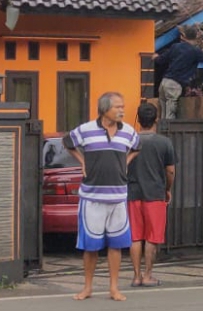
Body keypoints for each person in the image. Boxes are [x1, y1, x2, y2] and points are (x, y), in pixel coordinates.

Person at [64, 92, 140, 301]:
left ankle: (114, 288)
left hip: (118, 197)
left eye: (123, 106)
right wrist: (82, 161)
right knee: (91, 246)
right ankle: (87, 287)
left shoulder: (129, 132)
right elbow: (68, 142)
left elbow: (137, 147)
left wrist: (125, 161)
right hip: (92, 198)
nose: (122, 110)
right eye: (117, 107)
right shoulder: (86, 130)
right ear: (105, 109)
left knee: (116, 245)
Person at [128, 102, 176, 288]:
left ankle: (135, 276)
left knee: (135, 236)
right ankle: (148, 275)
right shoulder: (164, 142)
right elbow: (170, 171)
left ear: (138, 120)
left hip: (133, 193)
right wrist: (167, 189)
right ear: (156, 119)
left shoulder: (130, 141)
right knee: (152, 237)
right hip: (155, 193)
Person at [154, 24, 203, 119]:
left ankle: (162, 131)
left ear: (183, 36)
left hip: (164, 82)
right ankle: (168, 133)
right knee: (170, 115)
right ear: (196, 37)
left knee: (163, 114)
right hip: (174, 85)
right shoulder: (195, 51)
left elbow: (160, 60)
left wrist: (155, 57)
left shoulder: (175, 47)